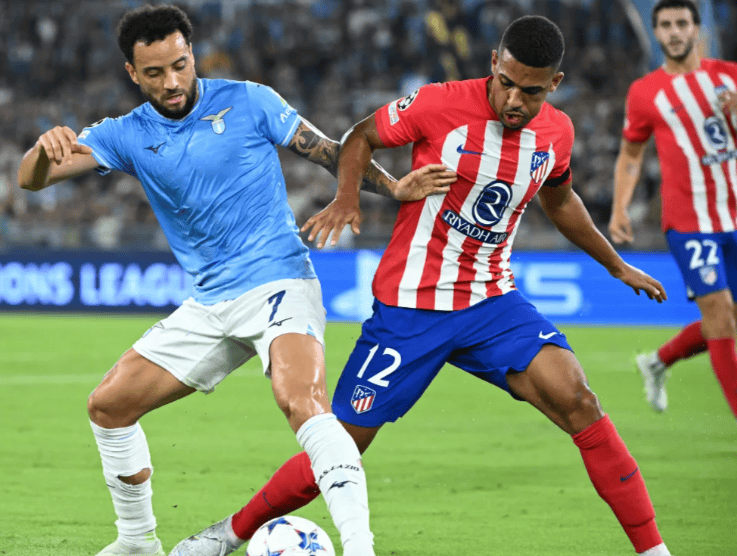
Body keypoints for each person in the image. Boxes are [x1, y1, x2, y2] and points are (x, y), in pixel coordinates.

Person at [172, 15, 673, 556]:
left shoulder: (558, 133)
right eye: (505, 83)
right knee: (339, 448)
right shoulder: (439, 104)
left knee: (580, 401)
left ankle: (654, 551)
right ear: (493, 64)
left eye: (530, 92)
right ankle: (230, 534)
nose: (513, 100)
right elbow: (360, 136)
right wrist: (347, 197)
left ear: (555, 84)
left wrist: (615, 265)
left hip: (491, 301)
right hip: (409, 310)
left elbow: (560, 200)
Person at [16, 5, 456, 556]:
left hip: (279, 283)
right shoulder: (126, 134)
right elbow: (32, 180)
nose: (171, 82)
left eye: (180, 65)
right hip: (209, 304)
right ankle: (137, 542)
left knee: (302, 402)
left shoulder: (249, 100)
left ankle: (360, 547)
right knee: (108, 406)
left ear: (192, 54)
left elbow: (328, 151)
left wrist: (392, 188)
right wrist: (43, 150)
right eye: (154, 73)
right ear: (132, 73)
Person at [609, 0, 737, 417]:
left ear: (698, 29)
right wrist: (620, 207)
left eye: (682, 23)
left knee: (727, 319)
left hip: (734, 215)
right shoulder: (645, 92)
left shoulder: (730, 77)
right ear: (656, 33)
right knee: (719, 315)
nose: (675, 31)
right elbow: (631, 155)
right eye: (666, 25)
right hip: (689, 222)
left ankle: (658, 361)